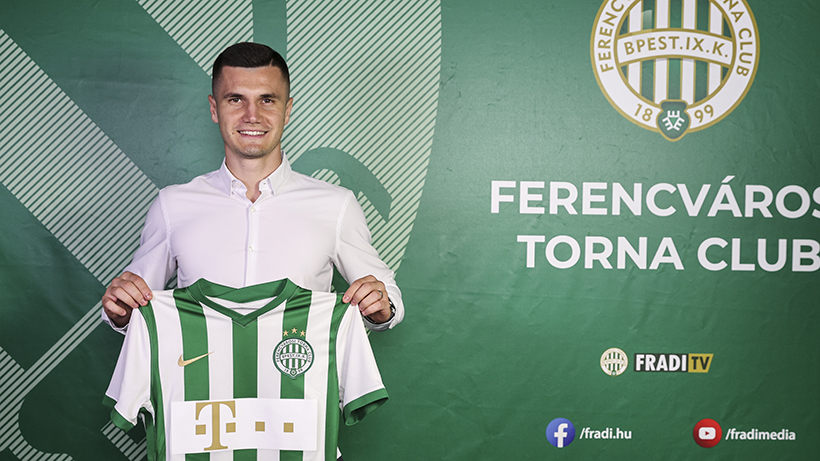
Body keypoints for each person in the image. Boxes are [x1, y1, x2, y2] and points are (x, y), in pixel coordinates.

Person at [101, 42, 403, 333]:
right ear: (214, 109)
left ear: (287, 110)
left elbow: (387, 298)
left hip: (298, 369)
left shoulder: (336, 205)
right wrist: (121, 308)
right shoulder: (172, 205)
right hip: (198, 370)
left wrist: (381, 305)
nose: (252, 116)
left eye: (267, 100)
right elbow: (130, 304)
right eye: (236, 100)